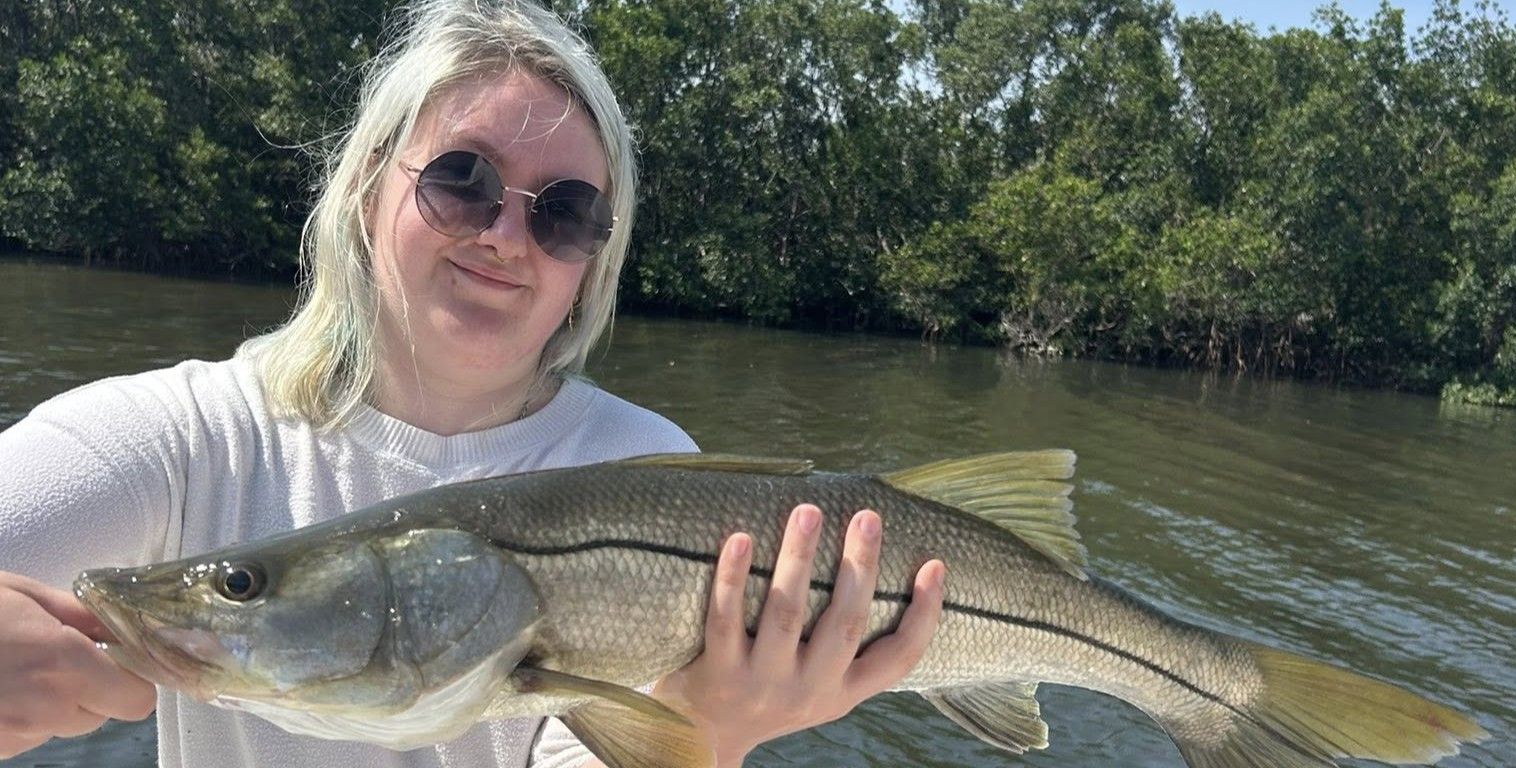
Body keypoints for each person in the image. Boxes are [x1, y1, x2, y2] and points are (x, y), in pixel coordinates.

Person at [0, 1, 947, 767]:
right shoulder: (185, 435)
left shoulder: (648, 470)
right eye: (463, 180)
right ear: (367, 188)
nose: (503, 236)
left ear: (593, 260)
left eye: (565, 213)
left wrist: (711, 731)